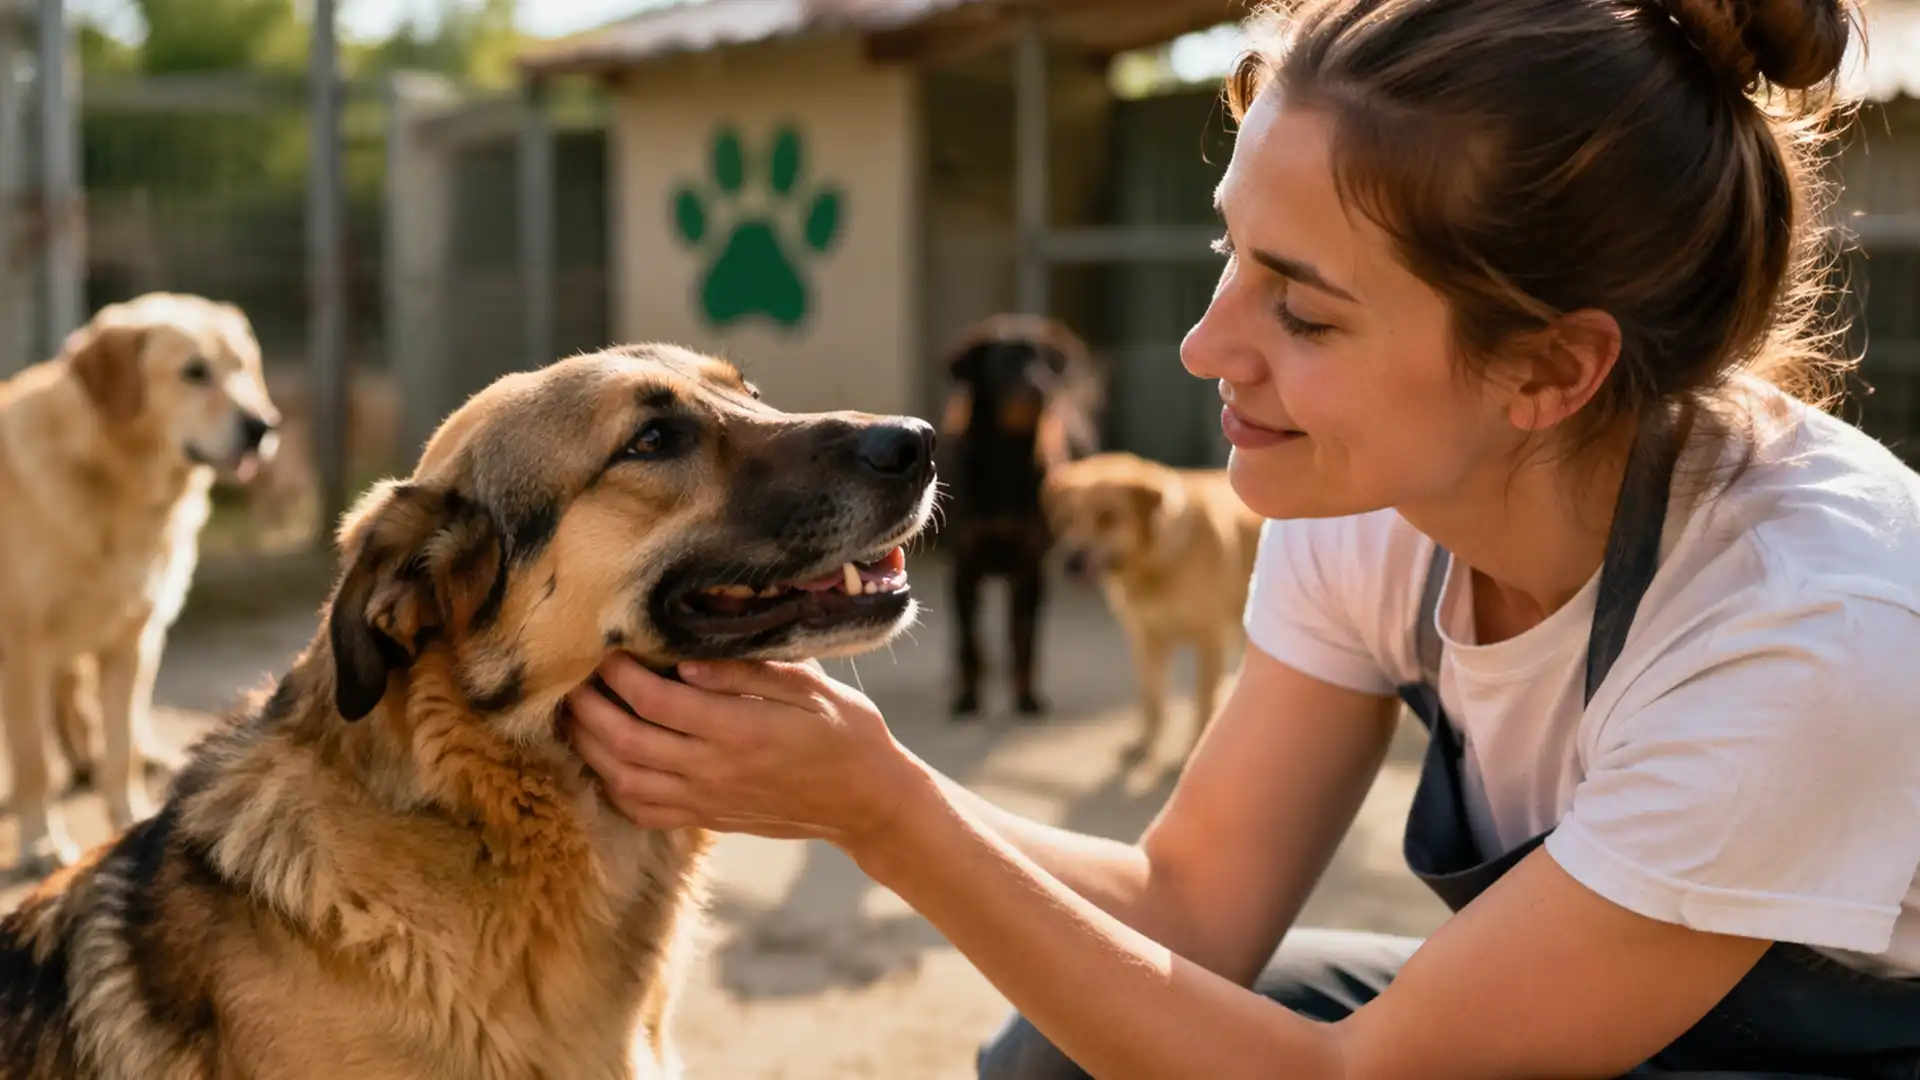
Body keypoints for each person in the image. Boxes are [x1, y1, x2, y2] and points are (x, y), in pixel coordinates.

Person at [563, 0, 1920, 1075]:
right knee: (1070, 1046)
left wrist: (888, 814)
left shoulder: (1804, 634)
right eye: (1233, 255)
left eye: (1306, 313)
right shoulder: (1381, 494)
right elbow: (1190, 908)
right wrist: (860, 785)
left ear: (1552, 374)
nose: (1208, 346)